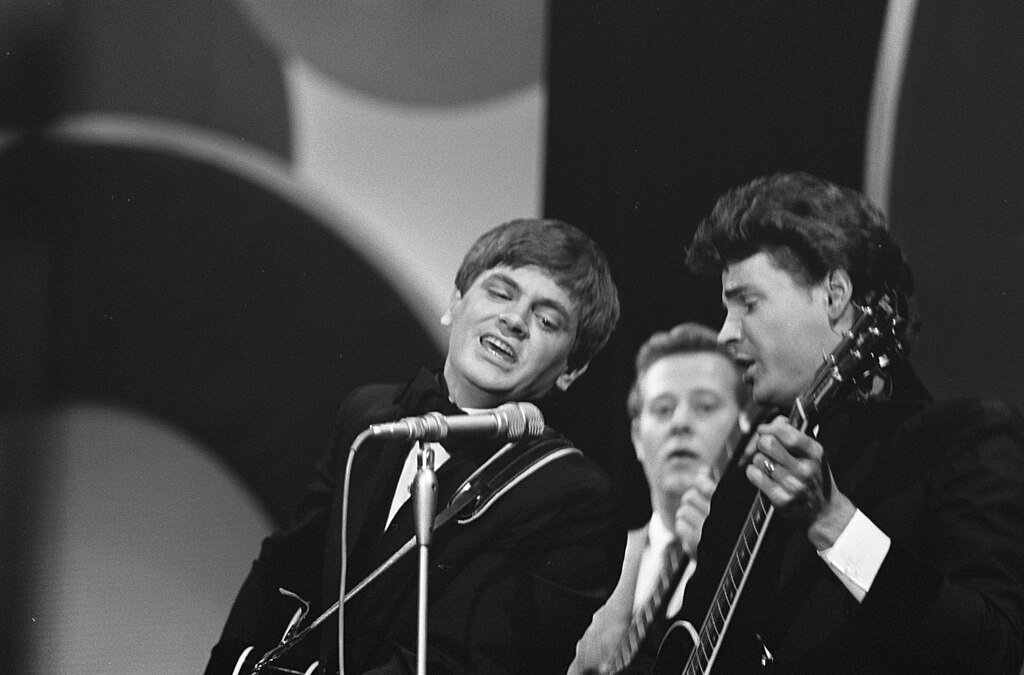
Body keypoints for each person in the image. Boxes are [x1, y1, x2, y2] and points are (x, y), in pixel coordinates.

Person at [203, 218, 624, 674]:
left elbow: (466, 665)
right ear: (455, 301)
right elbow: (283, 568)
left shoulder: (574, 497)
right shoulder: (369, 415)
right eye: (501, 293)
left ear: (571, 370)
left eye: (547, 320)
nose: (514, 320)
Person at [653, 172, 1024, 674]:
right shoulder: (747, 479)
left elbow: (996, 651)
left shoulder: (965, 440)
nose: (724, 334)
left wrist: (832, 522)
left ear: (834, 294)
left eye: (748, 303)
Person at [568, 323, 750, 675]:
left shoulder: (761, 550)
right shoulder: (594, 562)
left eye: (705, 406)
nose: (680, 423)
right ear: (637, 436)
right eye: (663, 409)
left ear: (741, 426)